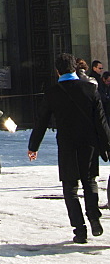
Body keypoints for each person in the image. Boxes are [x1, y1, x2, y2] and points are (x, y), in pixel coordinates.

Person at [28, 52, 110, 244]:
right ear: (75, 68)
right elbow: (101, 121)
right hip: (89, 143)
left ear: (57, 72)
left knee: (70, 187)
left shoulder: (52, 92)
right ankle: (94, 218)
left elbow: (41, 121)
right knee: (90, 181)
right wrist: (107, 144)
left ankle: (79, 230)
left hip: (66, 144)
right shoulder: (90, 89)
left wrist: (33, 146)